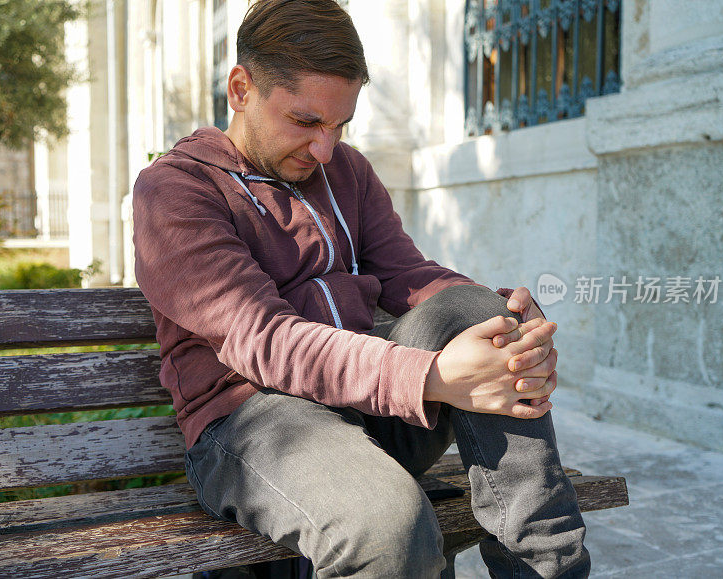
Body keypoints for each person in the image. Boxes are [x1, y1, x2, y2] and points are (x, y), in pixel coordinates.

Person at [132, 0, 590, 577]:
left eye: (340, 124)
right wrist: (430, 378)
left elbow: (407, 275)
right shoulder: (175, 191)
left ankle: (544, 569)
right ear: (241, 88)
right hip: (253, 423)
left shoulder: (347, 171)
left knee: (483, 316)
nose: (325, 148)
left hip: (365, 409)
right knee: (389, 524)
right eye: (305, 122)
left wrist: (507, 319)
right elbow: (262, 339)